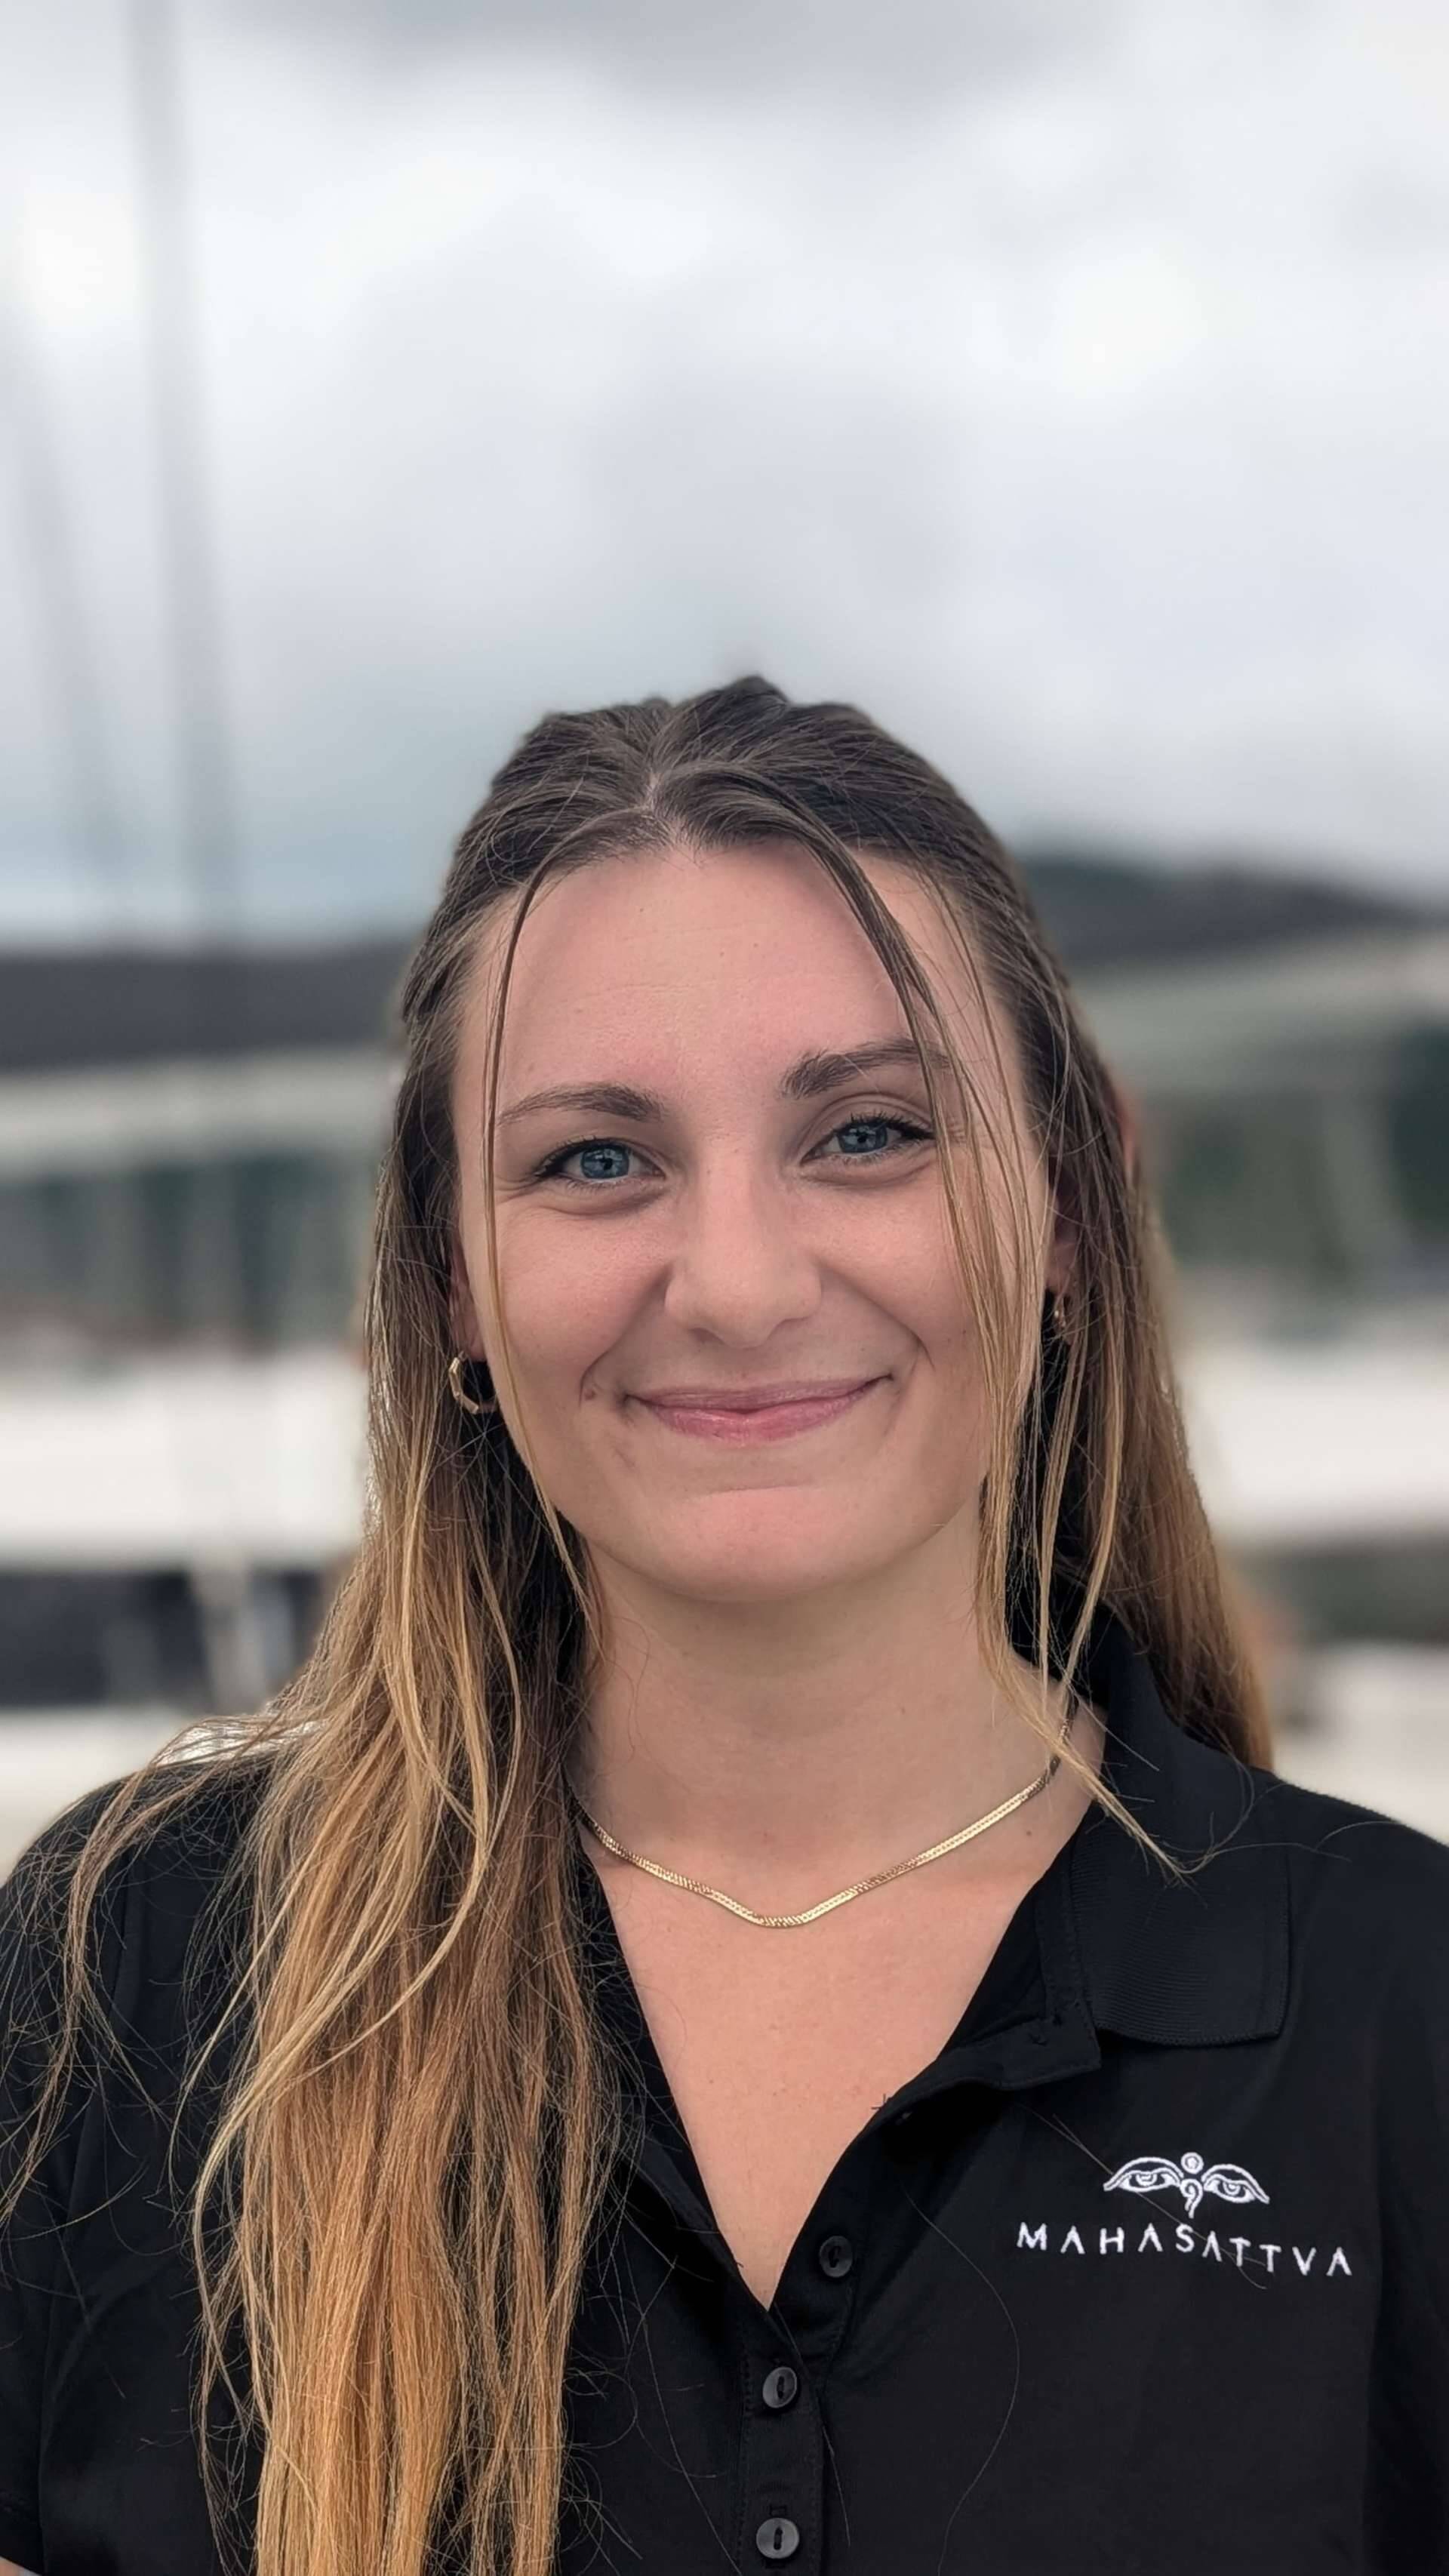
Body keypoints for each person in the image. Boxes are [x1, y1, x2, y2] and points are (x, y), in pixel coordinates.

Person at [2, 674, 1446, 2576]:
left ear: (1067, 1208)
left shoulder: (1400, 2021)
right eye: (597, 1161)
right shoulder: (138, 1976)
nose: (741, 1286)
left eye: (869, 1132)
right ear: (451, 1277)